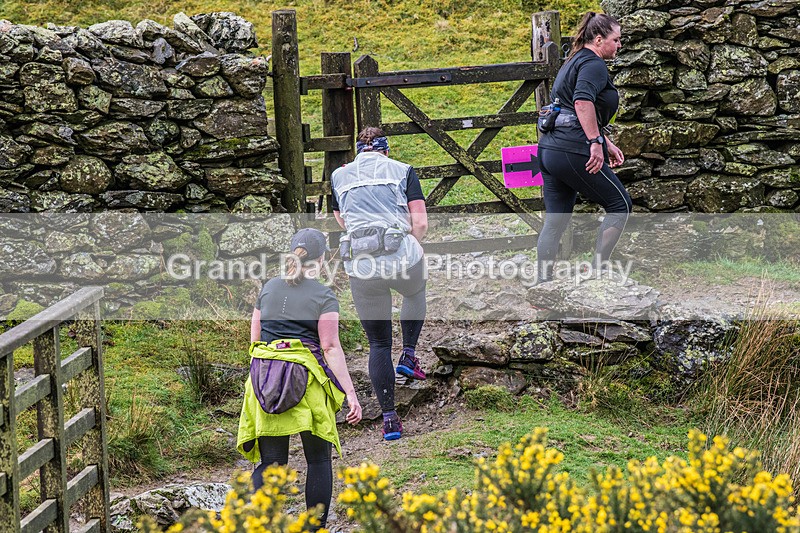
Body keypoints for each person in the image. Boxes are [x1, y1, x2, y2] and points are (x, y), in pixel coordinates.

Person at [237, 228, 362, 530]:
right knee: (318, 460)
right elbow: (330, 347)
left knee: (271, 463)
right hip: (305, 382)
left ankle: (255, 524)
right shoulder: (323, 295)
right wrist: (350, 393)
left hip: (264, 381)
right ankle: (313, 528)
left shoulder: (267, 287)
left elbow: (255, 340)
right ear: (321, 260)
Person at [330, 127, 428, 441]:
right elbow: (420, 223)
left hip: (361, 266)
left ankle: (389, 419)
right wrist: (410, 244)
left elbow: (341, 219)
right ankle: (410, 353)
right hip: (399, 259)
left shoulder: (339, 176)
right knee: (415, 290)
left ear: (359, 151)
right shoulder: (403, 171)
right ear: (385, 150)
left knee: (378, 344)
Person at [536, 11, 632, 282]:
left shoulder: (574, 59)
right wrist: (595, 143)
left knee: (555, 222)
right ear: (599, 39)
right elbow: (581, 103)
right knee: (619, 204)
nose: (619, 45)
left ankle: (542, 286)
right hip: (573, 149)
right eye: (616, 39)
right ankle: (598, 273)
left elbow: (570, 109)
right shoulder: (594, 64)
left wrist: (606, 141)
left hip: (550, 149)